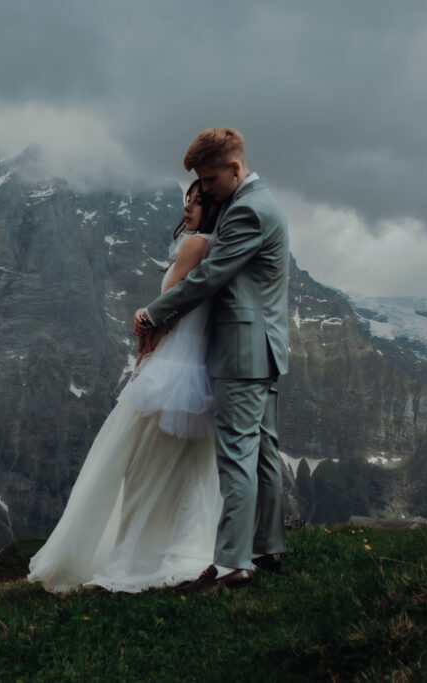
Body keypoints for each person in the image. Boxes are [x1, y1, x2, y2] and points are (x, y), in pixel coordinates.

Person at [27, 180, 224, 593]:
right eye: (187, 199)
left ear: (215, 204)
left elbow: (169, 306)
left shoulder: (196, 245)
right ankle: (180, 552)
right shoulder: (217, 245)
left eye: (199, 200)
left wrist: (144, 322)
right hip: (200, 371)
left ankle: (133, 559)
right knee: (189, 474)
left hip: (173, 366)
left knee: (140, 470)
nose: (188, 207)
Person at [133, 127, 289, 591]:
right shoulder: (263, 204)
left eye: (210, 178)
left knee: (237, 456)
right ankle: (268, 545)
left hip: (241, 351)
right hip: (263, 347)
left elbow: (210, 278)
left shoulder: (246, 211)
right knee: (262, 451)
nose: (205, 190)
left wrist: (153, 314)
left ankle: (233, 564)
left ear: (235, 168)